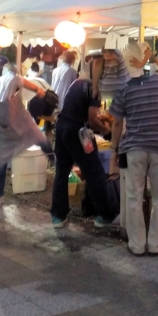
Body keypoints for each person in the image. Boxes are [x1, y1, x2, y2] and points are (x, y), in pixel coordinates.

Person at [109, 68, 158, 256]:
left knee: (134, 197)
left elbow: (117, 123)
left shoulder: (124, 86)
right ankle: (155, 244)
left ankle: (137, 245)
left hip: (134, 148)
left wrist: (114, 149)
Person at [0, 63, 53, 209]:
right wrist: (39, 90)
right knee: (40, 138)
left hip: (5, 126)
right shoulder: (11, 79)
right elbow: (26, 83)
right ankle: (55, 161)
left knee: (0, 162)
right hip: (14, 124)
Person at [49, 54, 119, 228]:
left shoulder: (77, 83)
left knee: (62, 172)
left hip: (62, 127)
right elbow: (92, 119)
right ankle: (104, 215)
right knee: (94, 172)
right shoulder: (93, 88)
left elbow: (77, 110)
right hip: (78, 132)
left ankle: (58, 216)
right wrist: (107, 131)